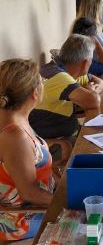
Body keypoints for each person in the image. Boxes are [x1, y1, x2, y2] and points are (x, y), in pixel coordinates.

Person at [0, 59, 55, 241]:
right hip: (23, 221)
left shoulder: (17, 122)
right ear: (34, 93)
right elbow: (29, 193)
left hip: (37, 209)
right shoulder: (14, 135)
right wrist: (67, 200)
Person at [29, 35, 103, 139]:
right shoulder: (60, 77)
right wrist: (91, 91)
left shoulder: (61, 69)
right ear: (86, 63)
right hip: (51, 141)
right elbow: (93, 101)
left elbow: (98, 80)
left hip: (62, 133)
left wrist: (94, 89)